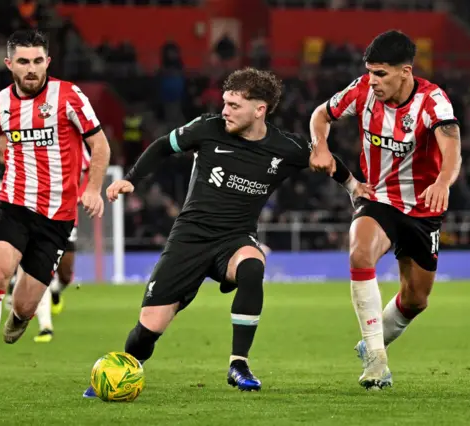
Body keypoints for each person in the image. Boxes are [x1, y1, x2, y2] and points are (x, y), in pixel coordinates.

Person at [83, 67, 371, 397]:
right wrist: (132, 178)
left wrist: (352, 187)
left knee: (252, 266)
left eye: (234, 105)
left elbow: (326, 160)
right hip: (189, 239)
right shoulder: (208, 128)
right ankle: (124, 368)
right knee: (150, 325)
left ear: (259, 109)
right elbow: (163, 146)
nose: (225, 111)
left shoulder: (285, 147)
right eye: (225, 103)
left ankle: (239, 363)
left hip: (234, 239)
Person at [0, 29, 111, 389]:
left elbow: (101, 145)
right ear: (9, 64)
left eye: (37, 61)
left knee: (26, 306)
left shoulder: (69, 97)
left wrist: (93, 188)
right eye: (23, 62)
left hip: (58, 217)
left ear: (47, 61)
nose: (31, 69)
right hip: (13, 205)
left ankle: (20, 316)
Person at [309, 30, 462, 390]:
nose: (372, 81)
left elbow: (452, 148)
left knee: (416, 298)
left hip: (423, 209)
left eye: (381, 74)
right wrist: (320, 146)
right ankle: (377, 360)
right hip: (376, 198)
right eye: (371, 72)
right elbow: (320, 114)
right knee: (360, 252)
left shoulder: (433, 101)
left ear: (405, 72)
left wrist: (442, 182)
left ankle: (370, 343)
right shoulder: (362, 90)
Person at [32, 140, 92, 343]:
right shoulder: (35, 140)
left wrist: (82, 192)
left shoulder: (74, 144)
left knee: (65, 275)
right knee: (43, 269)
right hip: (39, 212)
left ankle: (56, 293)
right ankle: (45, 327)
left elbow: (90, 168)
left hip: (67, 216)